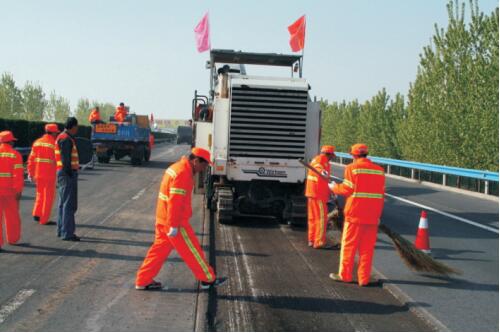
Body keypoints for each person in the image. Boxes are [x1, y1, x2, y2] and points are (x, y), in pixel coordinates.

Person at [135, 147, 226, 290]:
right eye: (204, 165)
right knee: (193, 250)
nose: (203, 169)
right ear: (196, 161)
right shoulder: (183, 173)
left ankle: (143, 280)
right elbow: (175, 201)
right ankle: (207, 279)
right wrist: (174, 225)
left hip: (163, 218)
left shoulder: (176, 168)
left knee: (158, 251)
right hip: (175, 221)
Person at [329, 144, 385, 286]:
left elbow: (347, 189)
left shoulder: (352, 168)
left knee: (349, 246)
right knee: (367, 250)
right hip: (372, 216)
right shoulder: (379, 171)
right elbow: (380, 194)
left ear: (353, 155)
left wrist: (334, 187)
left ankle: (345, 275)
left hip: (354, 215)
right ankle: (363, 279)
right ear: (366, 154)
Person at [305, 145, 336, 249]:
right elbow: (319, 170)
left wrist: (330, 190)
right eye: (332, 155)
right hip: (318, 195)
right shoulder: (321, 160)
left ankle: (312, 239)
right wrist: (324, 173)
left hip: (312, 193)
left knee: (312, 218)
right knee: (321, 218)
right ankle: (319, 242)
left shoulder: (316, 159)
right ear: (329, 154)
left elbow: (323, 178)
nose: (332, 157)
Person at [27, 123, 60, 225]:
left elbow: (31, 159)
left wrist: (30, 173)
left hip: (38, 174)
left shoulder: (37, 142)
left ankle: (36, 214)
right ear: (53, 132)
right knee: (48, 197)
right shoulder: (54, 144)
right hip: (49, 174)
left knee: (40, 194)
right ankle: (44, 219)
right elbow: (58, 160)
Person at [55, 117, 80, 241]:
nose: (77, 129)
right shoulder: (66, 139)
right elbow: (66, 160)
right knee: (69, 205)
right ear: (73, 126)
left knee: (63, 204)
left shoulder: (62, 137)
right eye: (77, 127)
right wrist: (71, 173)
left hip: (62, 174)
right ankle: (67, 233)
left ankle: (62, 230)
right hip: (67, 175)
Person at [0, 131, 24, 250]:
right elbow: (18, 175)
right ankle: (13, 239)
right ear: (9, 141)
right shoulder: (15, 154)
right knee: (12, 216)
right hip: (9, 191)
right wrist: (18, 190)